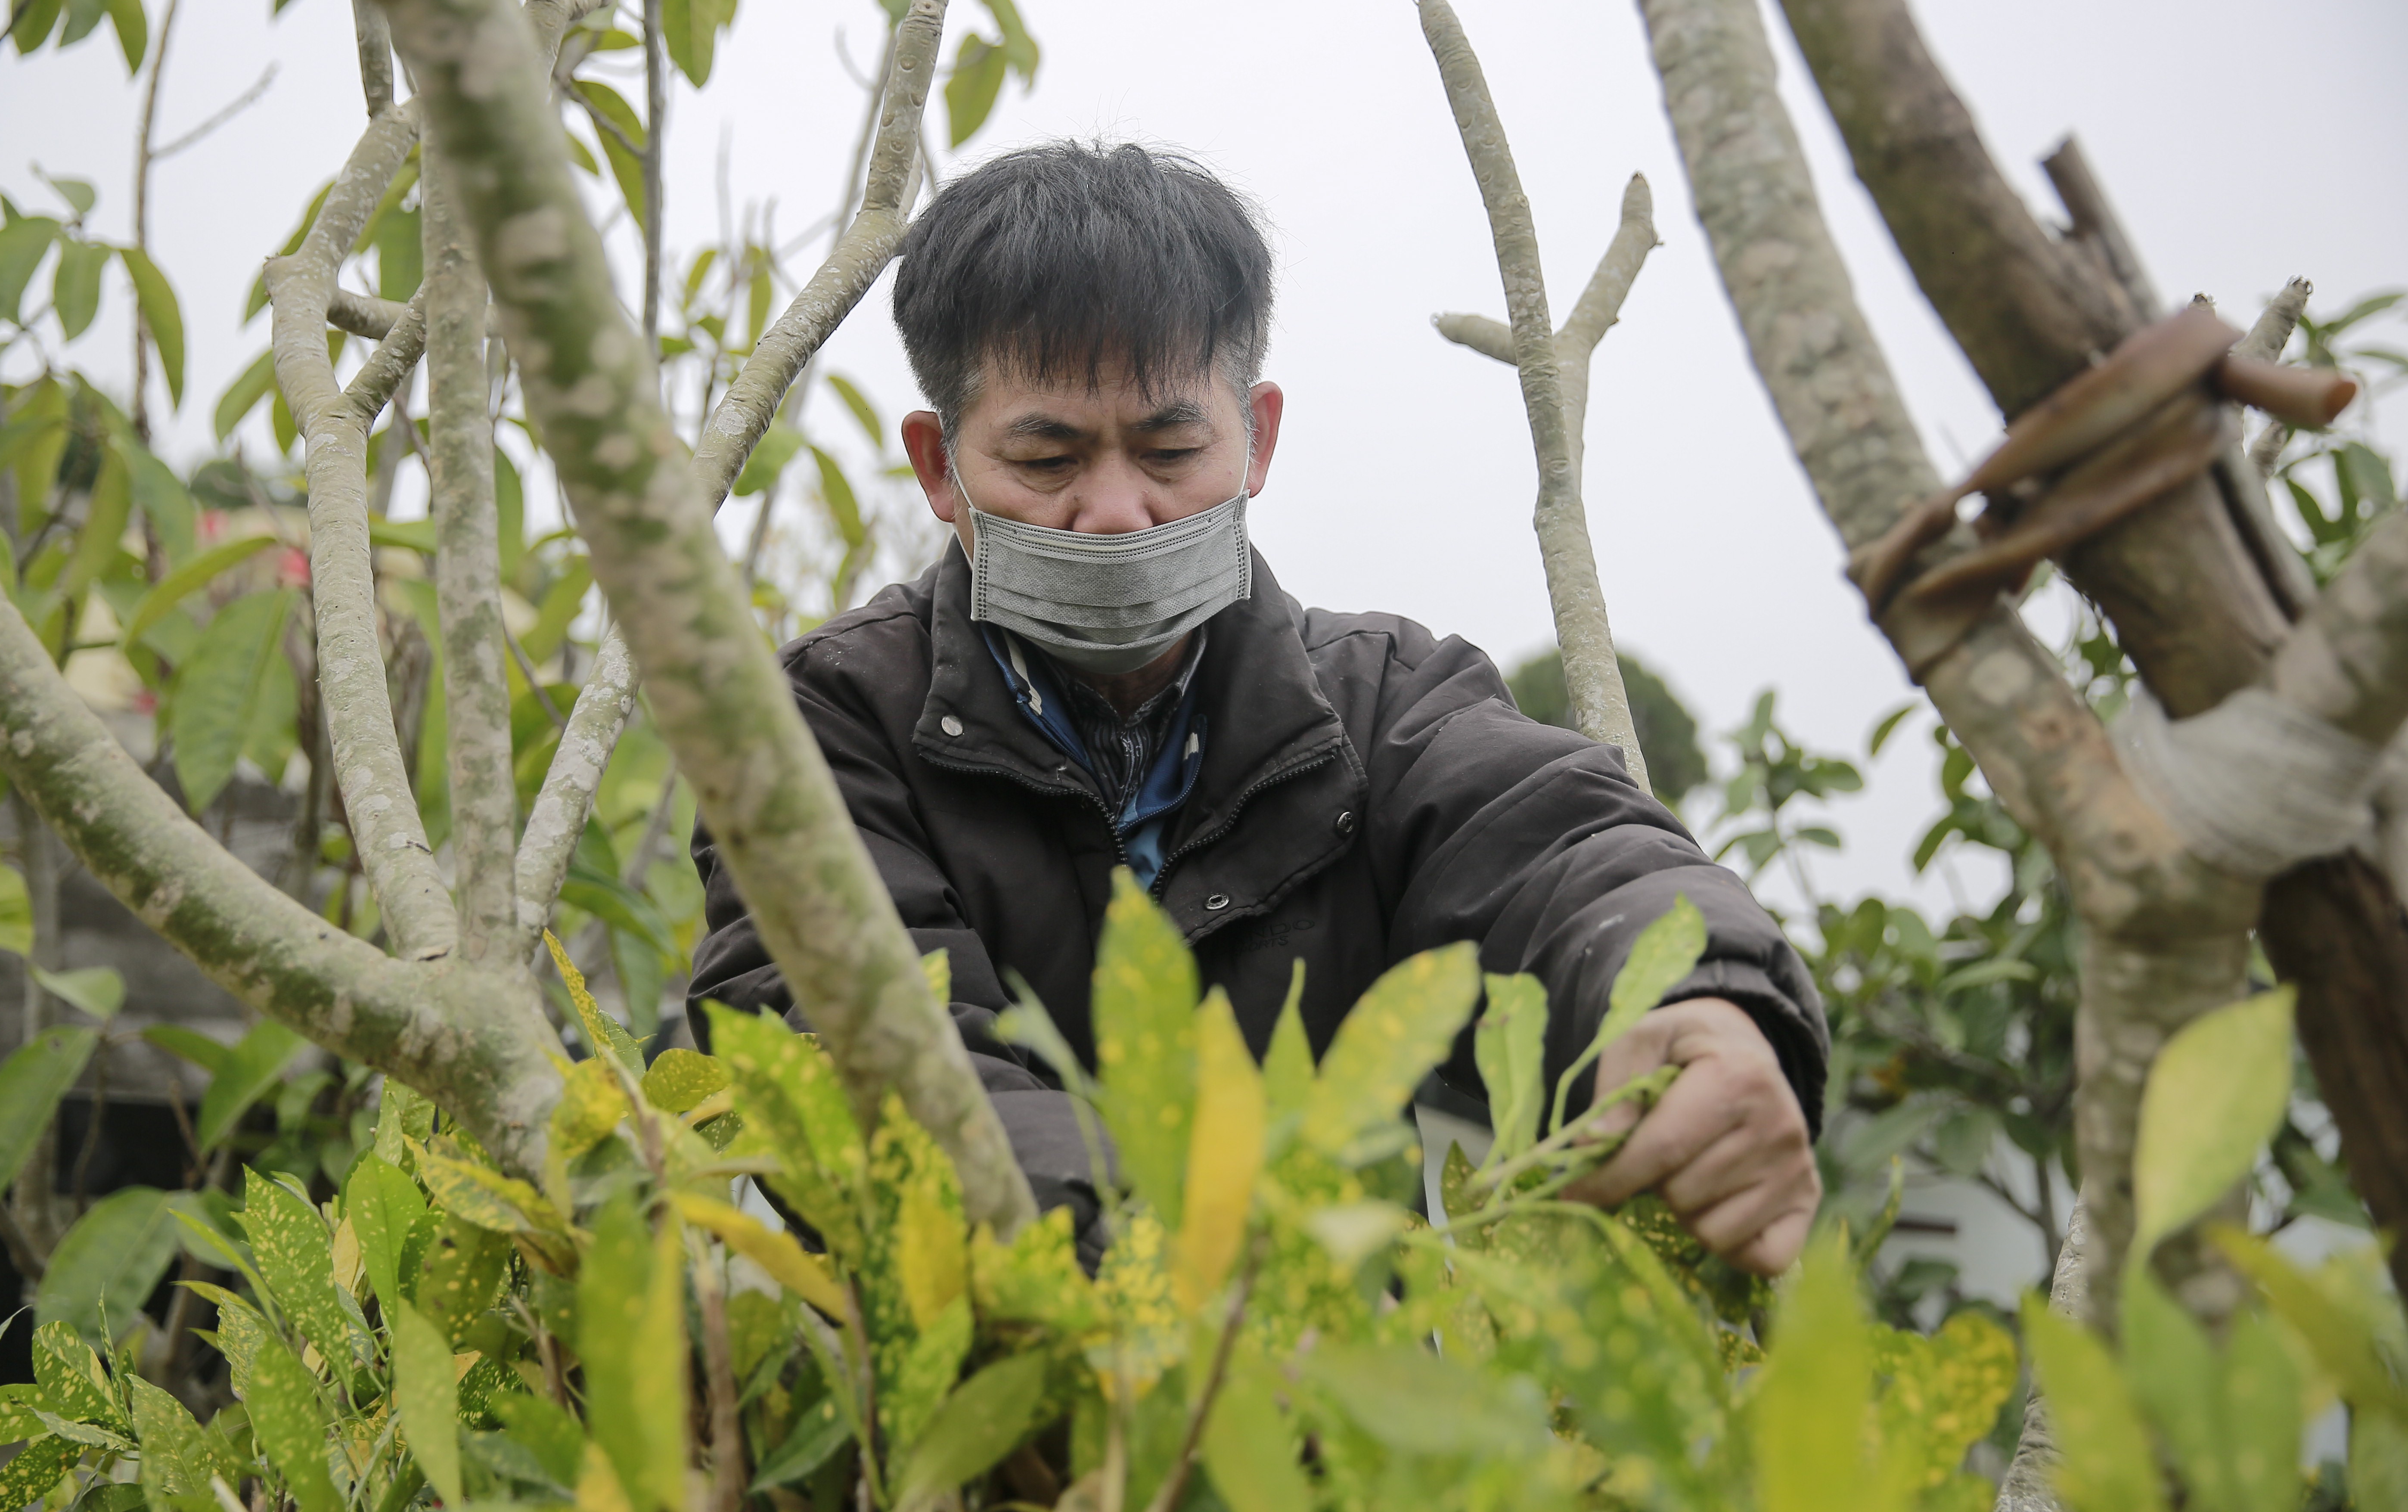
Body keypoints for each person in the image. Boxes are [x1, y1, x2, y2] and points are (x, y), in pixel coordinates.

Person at [690, 141, 1825, 1274]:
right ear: (940, 468)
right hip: (968, 1405)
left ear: (1258, 440)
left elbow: (1572, 849)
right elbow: (849, 1040)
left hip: (1328, 1417)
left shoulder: (1385, 706)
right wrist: (1153, 1290)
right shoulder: (829, 724)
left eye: (1172, 448)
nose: (1121, 512)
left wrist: (1696, 1002)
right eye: (1047, 460)